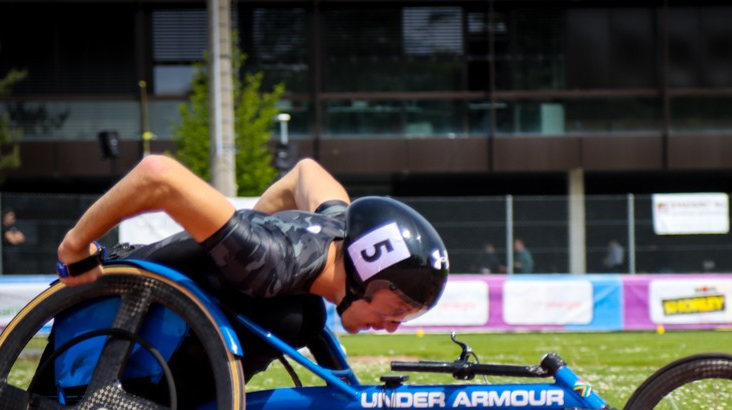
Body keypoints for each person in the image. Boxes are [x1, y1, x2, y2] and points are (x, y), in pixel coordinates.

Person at [56, 154, 450, 378]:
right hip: (117, 312)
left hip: (173, 307)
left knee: (301, 316)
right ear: (365, 276)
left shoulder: (339, 228)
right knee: (297, 318)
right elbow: (158, 174)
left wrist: (257, 222)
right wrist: (75, 246)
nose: (396, 325)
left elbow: (305, 172)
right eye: (398, 310)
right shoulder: (270, 262)